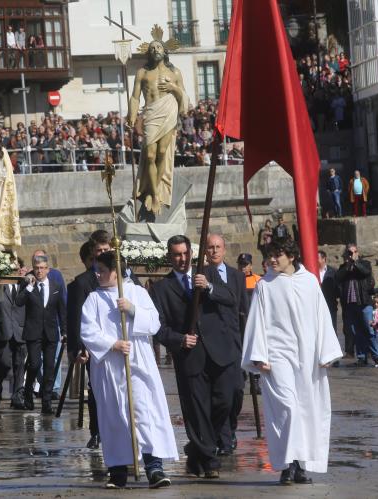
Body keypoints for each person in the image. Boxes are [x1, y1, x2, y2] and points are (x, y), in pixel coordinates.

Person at [242, 238, 343, 485]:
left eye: (277, 255)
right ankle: (287, 464)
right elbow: (256, 320)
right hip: (277, 355)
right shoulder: (265, 286)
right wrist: (259, 355)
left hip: (307, 354)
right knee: (287, 407)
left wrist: (327, 351)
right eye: (270, 256)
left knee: (306, 409)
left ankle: (299, 465)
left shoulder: (309, 282)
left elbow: (322, 316)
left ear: (290, 255)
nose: (272, 260)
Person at [80, 251, 178, 489]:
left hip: (137, 364)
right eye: (97, 270)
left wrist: (133, 309)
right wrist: (112, 344)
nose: (98, 274)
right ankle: (118, 470)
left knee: (143, 414)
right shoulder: (94, 299)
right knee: (115, 417)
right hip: (110, 368)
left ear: (116, 272)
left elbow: (154, 323)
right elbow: (88, 331)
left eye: (102, 270)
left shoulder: (136, 292)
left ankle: (154, 466)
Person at [151, 235, 236, 479]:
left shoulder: (208, 273)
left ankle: (198, 448)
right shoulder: (161, 288)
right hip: (190, 356)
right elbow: (158, 328)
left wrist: (208, 287)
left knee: (225, 401)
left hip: (219, 350)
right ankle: (210, 460)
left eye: (185, 254)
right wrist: (179, 339)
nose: (182, 259)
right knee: (197, 410)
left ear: (192, 254)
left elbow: (230, 298)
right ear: (170, 257)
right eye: (177, 254)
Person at [127, 31, 190, 215]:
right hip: (151, 114)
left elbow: (184, 96)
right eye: (152, 48)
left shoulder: (175, 72)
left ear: (164, 50)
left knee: (163, 153)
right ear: (149, 52)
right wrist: (132, 115)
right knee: (150, 155)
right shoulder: (143, 73)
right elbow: (135, 96)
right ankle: (154, 195)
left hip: (169, 113)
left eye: (158, 47)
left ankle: (156, 192)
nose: (155, 50)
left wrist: (173, 88)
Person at [205, 234, 248, 456]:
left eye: (217, 247)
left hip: (235, 341)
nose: (214, 251)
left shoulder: (237, 276)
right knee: (221, 396)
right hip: (212, 344)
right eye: (210, 247)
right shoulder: (200, 276)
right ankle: (223, 437)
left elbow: (243, 310)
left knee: (237, 392)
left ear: (224, 249)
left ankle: (230, 428)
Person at [67, 236, 108, 449]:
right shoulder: (82, 282)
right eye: (99, 251)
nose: (103, 254)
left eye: (106, 249)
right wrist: (78, 348)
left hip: (118, 344)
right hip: (94, 347)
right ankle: (97, 431)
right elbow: (75, 319)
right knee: (96, 389)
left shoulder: (123, 277)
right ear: (93, 255)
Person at [15, 254, 67, 414]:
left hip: (51, 333)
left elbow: (61, 311)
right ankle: (29, 392)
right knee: (35, 364)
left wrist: (65, 331)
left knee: (50, 367)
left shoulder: (56, 286)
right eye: (36, 268)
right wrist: (29, 286)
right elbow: (19, 302)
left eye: (42, 268)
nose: (39, 271)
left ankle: (46, 402)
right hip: (33, 333)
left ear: (47, 269)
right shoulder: (28, 286)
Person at [336, 244, 378, 366]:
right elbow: (338, 278)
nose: (352, 255)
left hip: (364, 302)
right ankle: (361, 357)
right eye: (349, 253)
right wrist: (348, 265)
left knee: (369, 329)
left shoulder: (364, 264)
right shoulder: (344, 267)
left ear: (358, 252)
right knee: (357, 332)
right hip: (350, 304)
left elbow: (365, 272)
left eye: (354, 252)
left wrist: (355, 263)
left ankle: (377, 356)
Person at [0, 260, 28, 409]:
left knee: (20, 365)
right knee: (4, 363)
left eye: (16, 267)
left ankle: (17, 397)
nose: (14, 270)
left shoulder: (25, 284)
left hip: (21, 330)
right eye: (11, 267)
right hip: (4, 330)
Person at [318, 250, 340, 334]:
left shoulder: (333, 271)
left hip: (330, 305)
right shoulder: (312, 271)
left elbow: (337, 288)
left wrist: (334, 297)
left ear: (324, 259)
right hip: (317, 305)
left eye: (318, 258)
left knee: (332, 329)